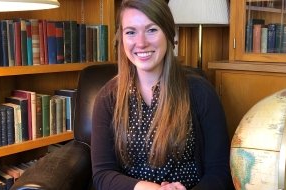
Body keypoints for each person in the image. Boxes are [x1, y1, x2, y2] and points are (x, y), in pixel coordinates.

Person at [91, 0, 233, 189]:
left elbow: (219, 171)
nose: (141, 43)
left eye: (151, 30)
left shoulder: (201, 92)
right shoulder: (107, 98)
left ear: (168, 34)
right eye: (131, 32)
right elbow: (102, 175)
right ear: (122, 38)